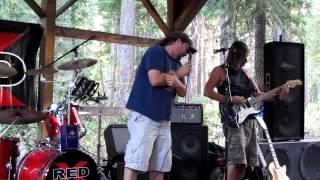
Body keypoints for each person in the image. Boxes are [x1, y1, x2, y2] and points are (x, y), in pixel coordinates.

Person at [204, 41, 289, 180]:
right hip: (233, 120)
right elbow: (207, 91)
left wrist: (280, 95)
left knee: (246, 164)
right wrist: (230, 99)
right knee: (236, 161)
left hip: (250, 121)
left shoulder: (246, 73)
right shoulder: (220, 71)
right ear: (236, 55)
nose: (246, 60)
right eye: (244, 57)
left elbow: (258, 95)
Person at [124, 32, 197, 180]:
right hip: (145, 116)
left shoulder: (177, 63)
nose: (187, 53)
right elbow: (155, 79)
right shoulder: (156, 51)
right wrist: (178, 74)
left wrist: (176, 80)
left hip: (164, 121)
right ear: (178, 41)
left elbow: (183, 92)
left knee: (160, 166)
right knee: (135, 163)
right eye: (187, 48)